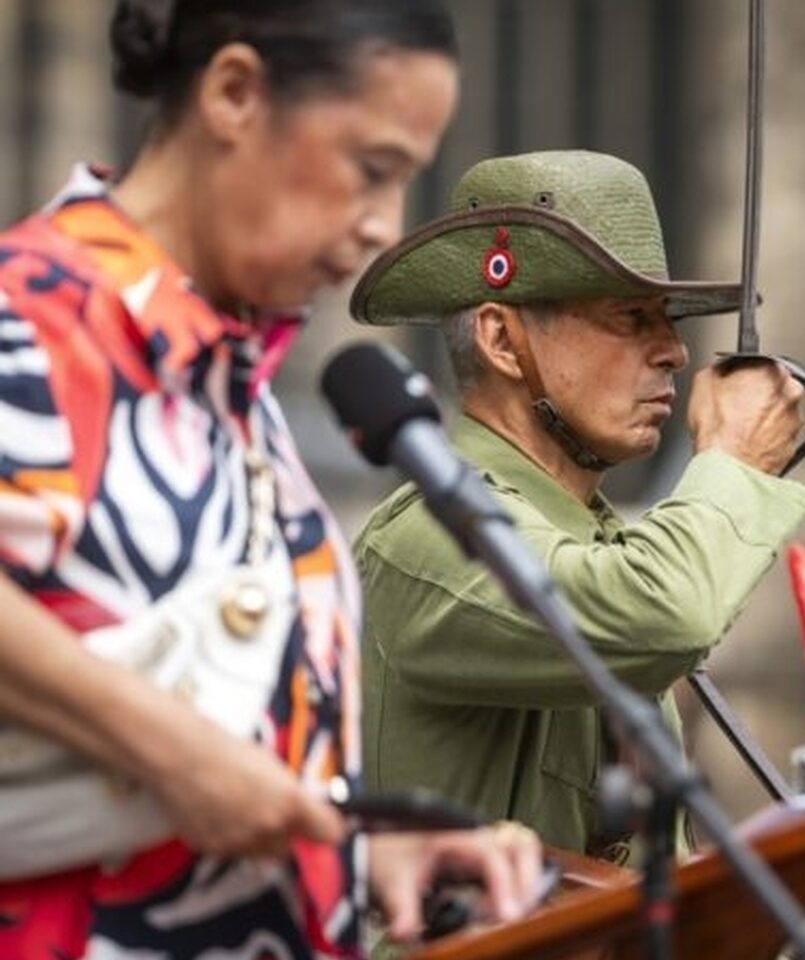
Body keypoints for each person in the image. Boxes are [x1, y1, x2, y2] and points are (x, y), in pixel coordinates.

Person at [0, 2, 542, 957]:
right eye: (371, 169)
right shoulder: (32, 321)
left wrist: (355, 855)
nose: (382, 228)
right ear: (235, 94)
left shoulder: (231, 382)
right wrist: (178, 754)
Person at [352, 150, 805, 860]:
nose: (675, 351)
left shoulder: (592, 544)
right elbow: (668, 613)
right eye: (630, 317)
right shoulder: (425, 536)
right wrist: (730, 458)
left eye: (666, 319)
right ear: (502, 339)